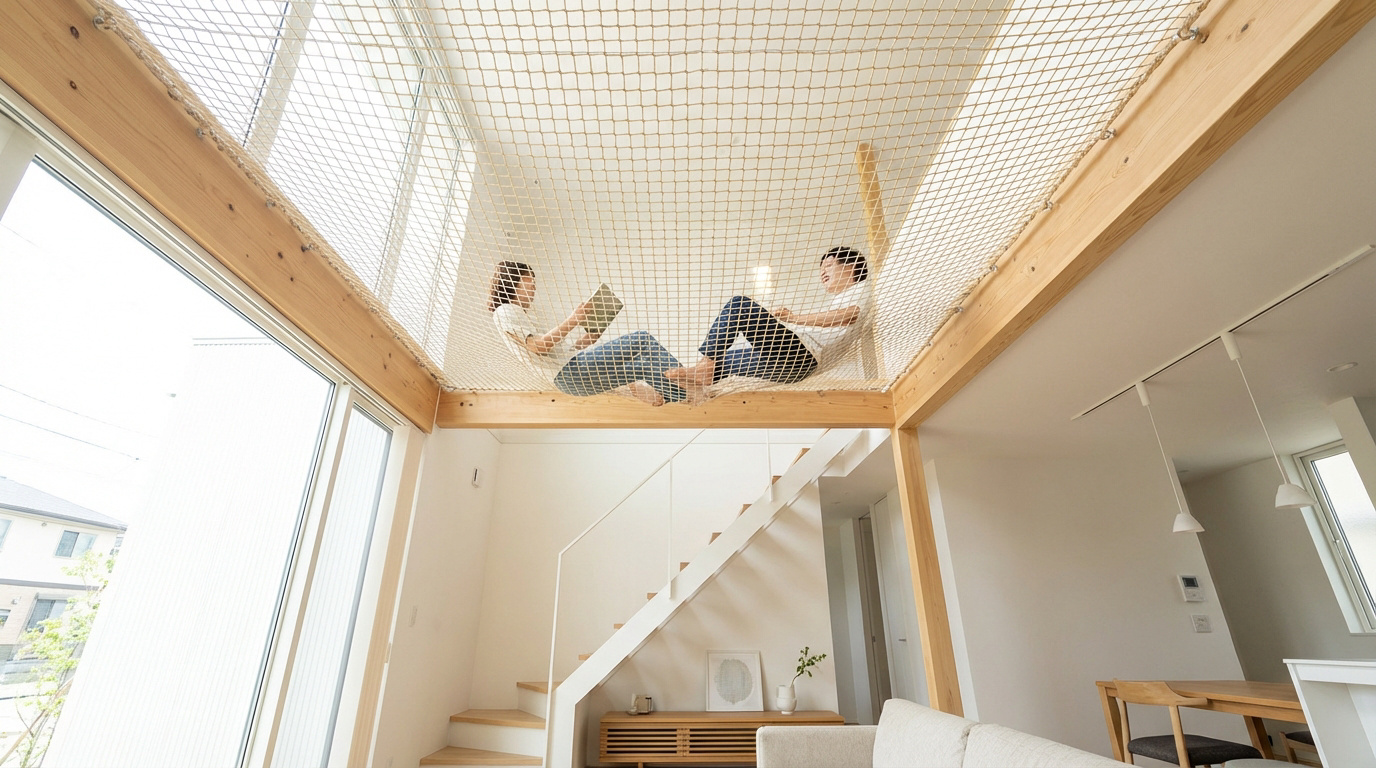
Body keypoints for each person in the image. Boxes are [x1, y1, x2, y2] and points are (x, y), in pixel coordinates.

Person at [666, 246, 871, 401]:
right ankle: (684, 391)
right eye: (821, 269)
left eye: (828, 265)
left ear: (851, 266)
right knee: (722, 360)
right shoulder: (838, 298)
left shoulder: (860, 288)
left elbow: (849, 315)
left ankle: (704, 368)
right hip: (788, 367)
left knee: (739, 305)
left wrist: (794, 318)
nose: (822, 273)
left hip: (800, 357)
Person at [489, 261, 686, 406]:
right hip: (572, 372)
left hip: (571, 382)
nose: (533, 288)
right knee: (642, 339)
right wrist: (574, 318)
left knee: (641, 367)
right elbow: (538, 347)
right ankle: (686, 382)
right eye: (529, 282)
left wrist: (591, 334)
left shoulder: (523, 317)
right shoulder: (505, 310)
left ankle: (679, 397)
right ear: (513, 282)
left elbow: (558, 354)